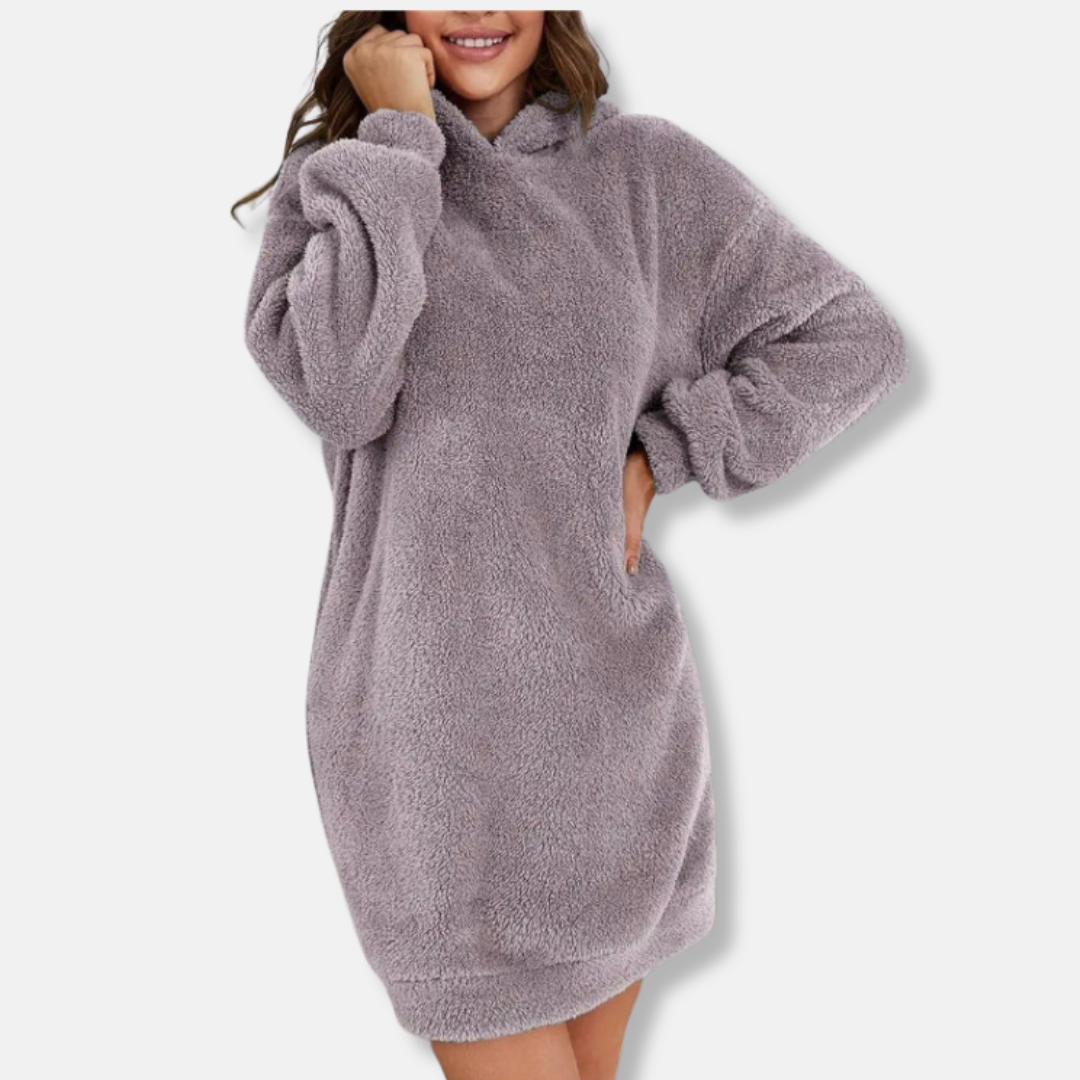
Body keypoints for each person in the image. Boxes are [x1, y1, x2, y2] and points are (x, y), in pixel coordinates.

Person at [233, 10, 909, 1079]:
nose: (478, 11)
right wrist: (399, 142)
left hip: (610, 740)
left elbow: (849, 338)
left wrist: (667, 450)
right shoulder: (345, 184)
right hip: (428, 752)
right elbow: (341, 391)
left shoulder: (646, 177)